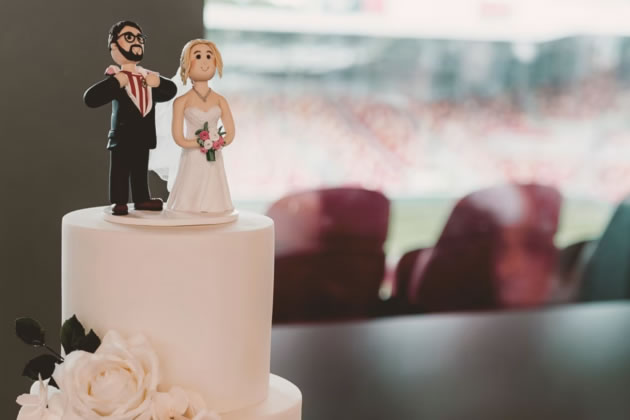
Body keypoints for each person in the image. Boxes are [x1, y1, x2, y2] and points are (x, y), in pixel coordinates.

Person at [84, 20, 177, 215]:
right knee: (119, 170)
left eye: (139, 38)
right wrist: (116, 82)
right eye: (129, 37)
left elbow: (171, 91)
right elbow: (91, 98)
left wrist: (158, 82)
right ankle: (118, 201)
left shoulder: (148, 77)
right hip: (123, 136)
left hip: (143, 136)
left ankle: (142, 198)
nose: (136, 42)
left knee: (140, 170)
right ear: (114, 45)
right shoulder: (117, 78)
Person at [163, 39, 235, 214]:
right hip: (192, 159)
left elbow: (231, 134)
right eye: (198, 56)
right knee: (189, 201)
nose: (204, 61)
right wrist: (202, 143)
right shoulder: (181, 101)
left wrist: (217, 142)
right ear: (187, 64)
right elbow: (179, 138)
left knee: (215, 200)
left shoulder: (220, 100)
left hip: (214, 159)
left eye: (209, 56)